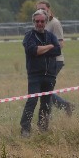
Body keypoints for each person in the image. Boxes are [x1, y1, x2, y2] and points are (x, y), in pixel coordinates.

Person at [20, 8, 62, 137]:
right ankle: (25, 129)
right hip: (35, 75)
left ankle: (43, 128)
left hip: (50, 75)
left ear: (45, 22)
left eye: (42, 21)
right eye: (37, 21)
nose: (40, 24)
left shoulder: (51, 36)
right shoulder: (29, 36)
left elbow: (57, 51)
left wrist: (43, 49)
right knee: (32, 101)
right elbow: (32, 51)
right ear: (33, 22)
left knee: (46, 103)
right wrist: (49, 47)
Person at [37, 0, 73, 115]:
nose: (41, 11)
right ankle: (63, 107)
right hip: (44, 62)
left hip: (55, 61)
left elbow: (61, 44)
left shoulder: (54, 23)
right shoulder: (41, 23)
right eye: (38, 9)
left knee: (44, 90)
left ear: (49, 9)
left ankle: (62, 107)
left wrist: (46, 51)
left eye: (43, 9)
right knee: (44, 90)